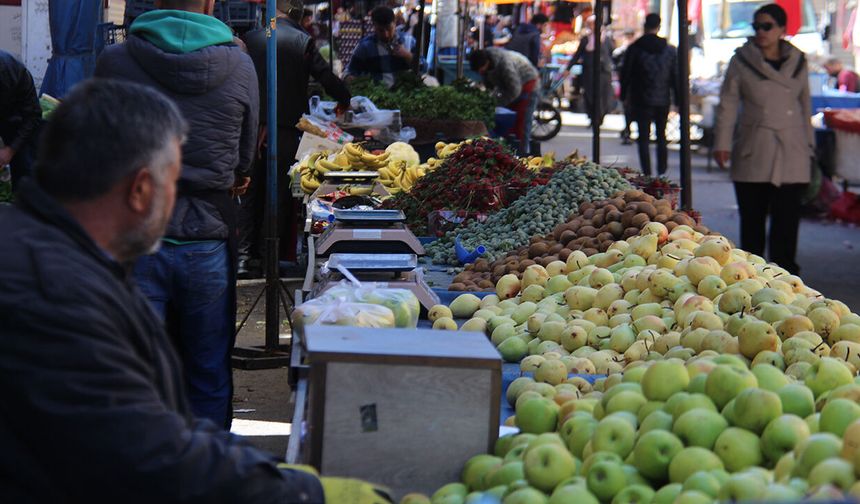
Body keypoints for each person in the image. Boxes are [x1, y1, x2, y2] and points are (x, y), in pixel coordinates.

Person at [0, 78, 393, 504]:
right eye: (174, 183)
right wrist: (302, 492)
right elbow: (148, 456)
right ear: (140, 190)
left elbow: (158, 422)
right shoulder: (53, 294)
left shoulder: (58, 252)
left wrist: (262, 469)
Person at [95, 0, 259, 428]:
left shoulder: (114, 61)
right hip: (208, 236)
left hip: (136, 238)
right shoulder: (241, 66)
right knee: (207, 372)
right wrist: (234, 174)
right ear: (209, 4)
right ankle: (205, 478)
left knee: (135, 373)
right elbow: (244, 157)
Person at [243, 0, 352, 275]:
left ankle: (243, 257)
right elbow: (326, 76)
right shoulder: (302, 41)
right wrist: (344, 99)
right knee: (278, 191)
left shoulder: (250, 38)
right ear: (297, 13)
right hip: (286, 129)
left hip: (251, 126)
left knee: (248, 189)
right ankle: (270, 258)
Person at [714, 3, 813, 275]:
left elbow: (805, 104)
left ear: (782, 29)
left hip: (792, 150)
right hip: (754, 145)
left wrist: (810, 146)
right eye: (756, 26)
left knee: (787, 221)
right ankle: (753, 276)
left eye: (767, 26)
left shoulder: (799, 60)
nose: (760, 32)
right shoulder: (741, 60)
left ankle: (786, 276)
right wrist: (722, 143)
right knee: (752, 221)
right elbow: (728, 103)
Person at [620, 14, 679, 176]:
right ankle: (662, 170)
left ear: (644, 26)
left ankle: (647, 173)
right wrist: (678, 99)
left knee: (643, 138)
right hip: (662, 99)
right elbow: (675, 76)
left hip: (640, 98)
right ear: (659, 27)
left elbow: (625, 74)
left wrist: (624, 95)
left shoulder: (634, 48)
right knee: (661, 135)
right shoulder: (669, 50)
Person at [469, 47, 540, 155]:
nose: (480, 72)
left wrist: (497, 103)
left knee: (522, 122)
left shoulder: (505, 64)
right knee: (509, 123)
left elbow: (514, 90)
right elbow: (490, 87)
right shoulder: (486, 65)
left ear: (486, 63)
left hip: (528, 83)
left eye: (481, 70)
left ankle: (523, 155)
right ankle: (509, 153)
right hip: (512, 88)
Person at [0, 49, 42, 190]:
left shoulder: (18, 74)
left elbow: (33, 116)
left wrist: (10, 150)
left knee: (24, 167)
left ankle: (23, 200)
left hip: (16, 121)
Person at [345, 6, 414, 87]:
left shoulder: (409, 41)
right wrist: (349, 78)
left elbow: (423, 68)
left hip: (406, 94)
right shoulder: (365, 46)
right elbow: (350, 71)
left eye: (389, 29)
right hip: (377, 95)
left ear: (395, 23)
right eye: (381, 30)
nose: (386, 34)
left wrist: (408, 56)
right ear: (374, 26)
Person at [565, 16, 614, 126]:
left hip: (603, 71)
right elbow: (577, 55)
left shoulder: (606, 38)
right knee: (590, 95)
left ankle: (600, 116)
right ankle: (593, 117)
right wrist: (568, 68)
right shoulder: (586, 39)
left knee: (603, 95)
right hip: (589, 71)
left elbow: (611, 53)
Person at [612, 29, 636, 144]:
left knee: (629, 109)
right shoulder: (620, 52)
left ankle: (627, 130)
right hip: (629, 85)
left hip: (631, 85)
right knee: (627, 109)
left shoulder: (634, 51)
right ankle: (627, 130)